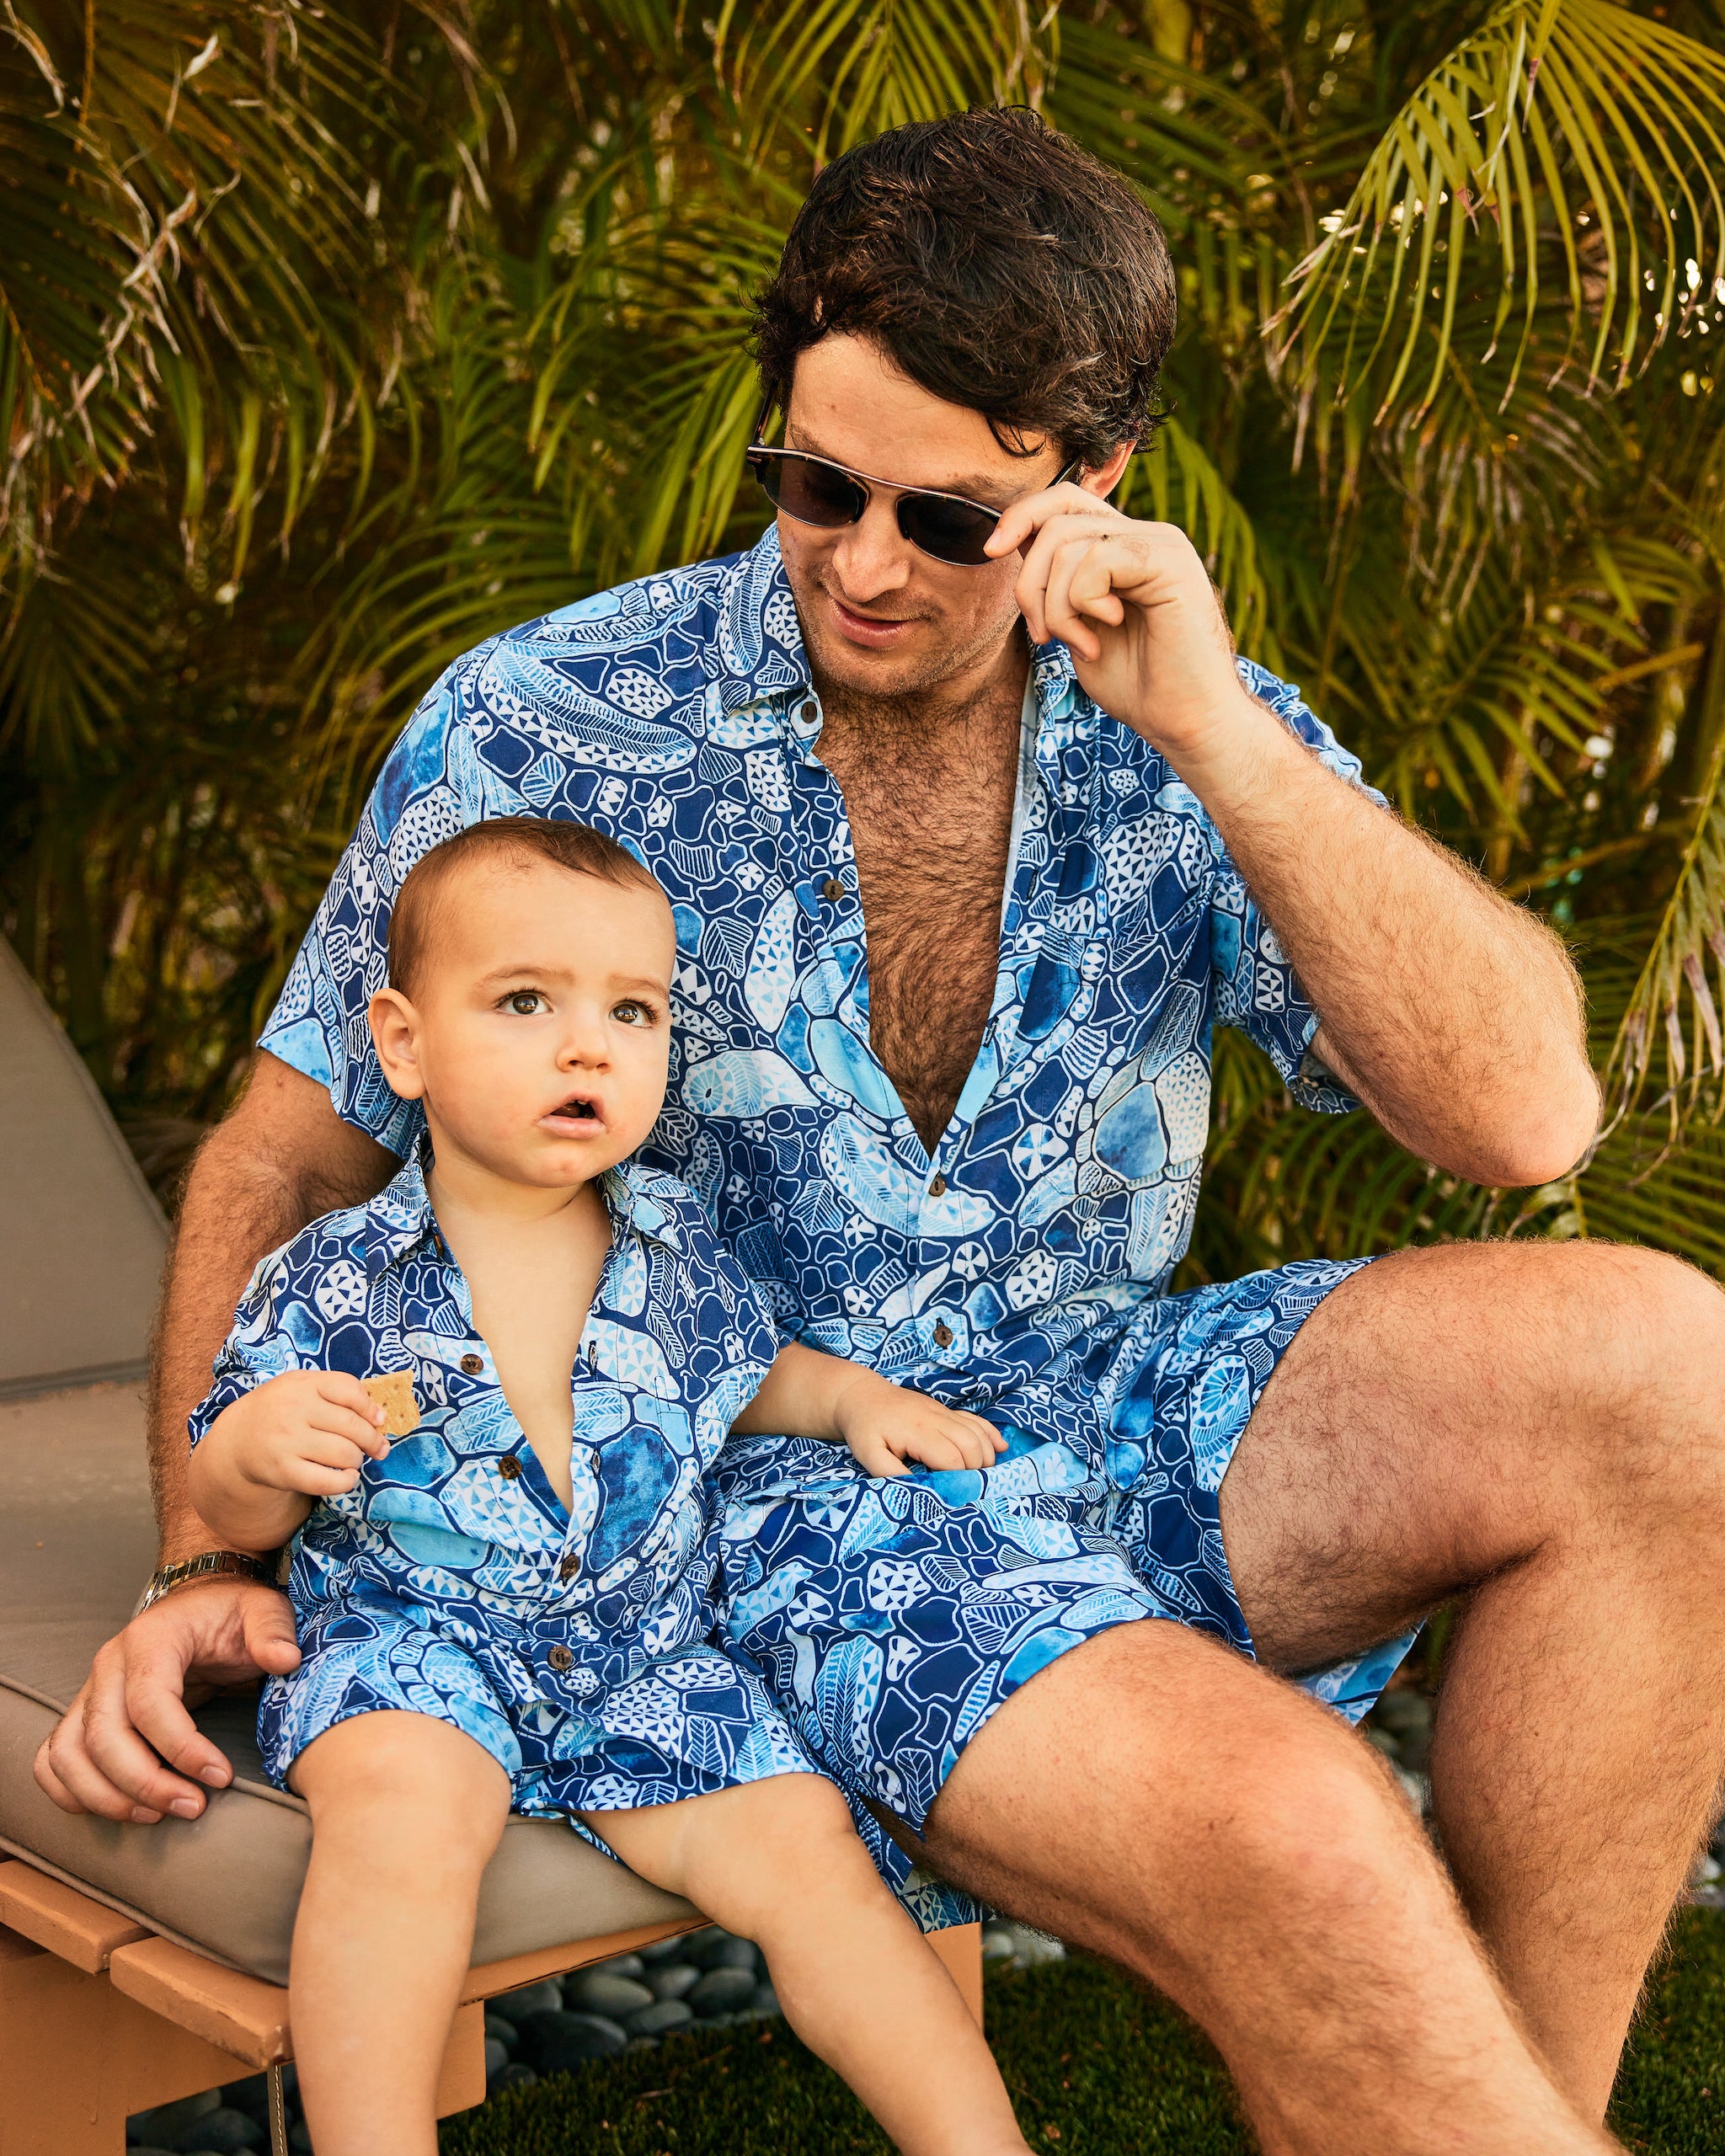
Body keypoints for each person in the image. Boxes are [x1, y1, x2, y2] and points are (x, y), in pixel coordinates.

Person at [37, 107, 1725, 2156]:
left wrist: (1216, 734)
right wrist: (202, 1554)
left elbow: (1525, 1114)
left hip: (1097, 1398)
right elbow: (284, 1155)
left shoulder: (1178, 712)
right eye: (816, 483)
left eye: (944, 516)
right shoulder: (549, 721)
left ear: (1094, 485)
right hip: (757, 1485)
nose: (857, 560)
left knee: (1670, 1367)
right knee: (1299, 1831)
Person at [184, 814, 1028, 2156]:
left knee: (807, 1845)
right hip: (415, 1649)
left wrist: (857, 1403)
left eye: (631, 1011)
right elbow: (237, 1512)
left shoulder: (671, 1243)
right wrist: (249, 1453)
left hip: (645, 1658)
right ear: (403, 1043)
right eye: (526, 1001)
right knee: (400, 1817)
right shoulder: (334, 1280)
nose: (588, 1047)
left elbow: (748, 1370)